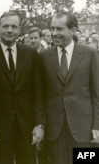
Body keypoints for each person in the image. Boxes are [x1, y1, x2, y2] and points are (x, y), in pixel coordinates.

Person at [0, 11, 45, 164]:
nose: (9, 30)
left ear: (20, 30)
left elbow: (38, 92)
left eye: (14, 26)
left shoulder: (32, 54)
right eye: (5, 26)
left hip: (26, 128)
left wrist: (40, 124)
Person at [39, 12, 99, 164]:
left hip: (84, 130)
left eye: (59, 29)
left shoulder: (90, 54)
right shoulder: (43, 57)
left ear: (72, 30)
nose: (54, 33)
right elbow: (39, 95)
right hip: (55, 130)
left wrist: (96, 126)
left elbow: (97, 94)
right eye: (52, 29)